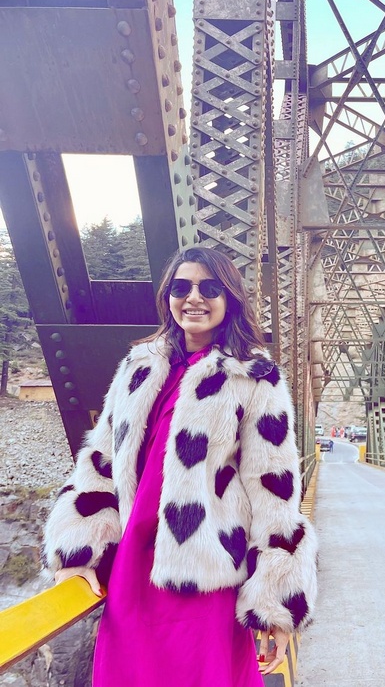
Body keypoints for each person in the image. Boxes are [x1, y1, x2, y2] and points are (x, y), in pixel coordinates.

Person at [42, 247, 318, 686]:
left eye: (209, 288)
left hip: (205, 572)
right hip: (132, 567)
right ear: (166, 296)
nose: (194, 298)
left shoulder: (254, 377)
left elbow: (273, 490)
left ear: (229, 298)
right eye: (180, 287)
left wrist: (276, 603)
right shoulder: (138, 366)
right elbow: (100, 463)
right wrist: (77, 552)